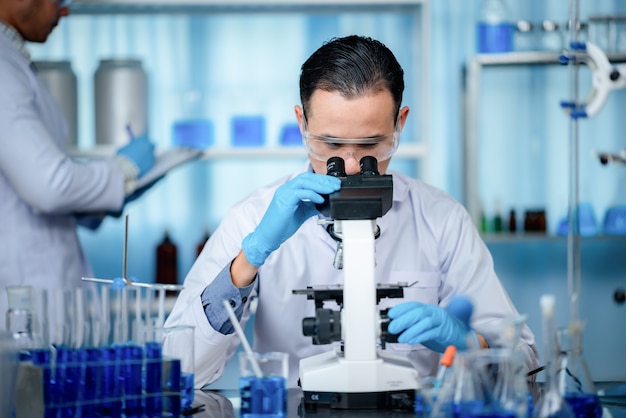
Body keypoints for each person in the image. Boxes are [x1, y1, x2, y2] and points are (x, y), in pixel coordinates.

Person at [165, 35, 539, 388]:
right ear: (302, 124)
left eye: (371, 145)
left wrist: (471, 344)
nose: (352, 165)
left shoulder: (441, 218)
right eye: (330, 144)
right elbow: (180, 371)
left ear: (399, 125)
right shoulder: (253, 218)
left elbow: (525, 363)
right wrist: (251, 256)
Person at [0, 0, 158, 326]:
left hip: (38, 296)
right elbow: (49, 185)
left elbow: (25, 187)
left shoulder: (12, 60)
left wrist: (107, 196)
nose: (65, 11)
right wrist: (123, 171)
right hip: (20, 302)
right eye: (57, 0)